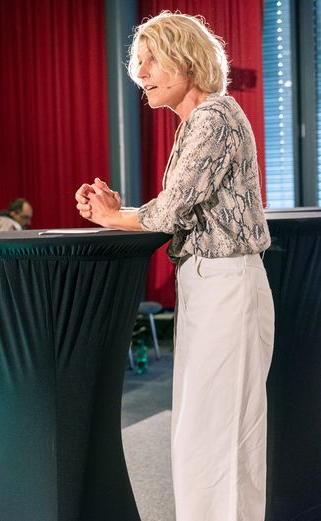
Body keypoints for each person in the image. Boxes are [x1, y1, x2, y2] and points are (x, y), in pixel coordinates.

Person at [74, 12, 273, 521]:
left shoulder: (213, 117)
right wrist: (121, 214)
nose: (140, 73)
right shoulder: (202, 120)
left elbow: (172, 209)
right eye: (137, 63)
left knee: (219, 436)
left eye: (150, 60)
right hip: (212, 285)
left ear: (186, 59)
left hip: (225, 284)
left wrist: (116, 216)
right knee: (204, 434)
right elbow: (178, 207)